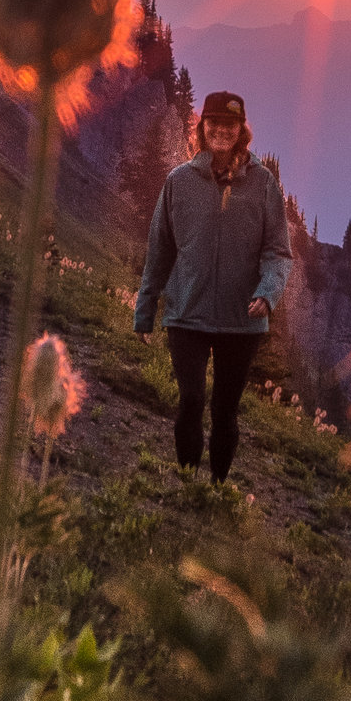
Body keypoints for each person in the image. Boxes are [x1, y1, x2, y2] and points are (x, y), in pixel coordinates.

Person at [132, 88, 293, 484]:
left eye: (230, 124)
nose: (222, 130)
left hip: (242, 320)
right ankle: (189, 484)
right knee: (190, 401)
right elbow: (160, 250)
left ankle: (217, 487)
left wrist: (268, 293)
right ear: (202, 127)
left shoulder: (263, 184)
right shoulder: (178, 182)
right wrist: (145, 312)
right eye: (214, 122)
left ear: (242, 130)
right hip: (186, 313)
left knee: (225, 412)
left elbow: (278, 251)